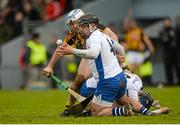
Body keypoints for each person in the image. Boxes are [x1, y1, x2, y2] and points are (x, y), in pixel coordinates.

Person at [57, 14, 154, 117]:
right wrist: (123, 65)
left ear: (91, 26)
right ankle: (146, 112)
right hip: (120, 77)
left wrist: (72, 50)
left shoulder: (92, 39)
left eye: (82, 26)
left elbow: (93, 53)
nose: (79, 29)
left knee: (96, 112)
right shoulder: (102, 35)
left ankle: (123, 111)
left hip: (107, 81)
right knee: (124, 100)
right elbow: (120, 48)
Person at [41, 9, 120, 114]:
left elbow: (113, 36)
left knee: (110, 79)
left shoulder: (95, 26)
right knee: (79, 80)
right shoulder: (74, 34)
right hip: (90, 56)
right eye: (70, 24)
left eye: (73, 23)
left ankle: (125, 100)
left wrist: (118, 54)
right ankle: (68, 108)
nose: (72, 26)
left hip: (104, 56)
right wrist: (50, 66)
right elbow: (61, 48)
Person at [159, 17, 180, 85]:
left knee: (177, 67)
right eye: (165, 22)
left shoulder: (175, 30)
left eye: (168, 22)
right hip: (167, 52)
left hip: (175, 52)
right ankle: (170, 82)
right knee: (168, 67)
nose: (166, 23)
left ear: (170, 22)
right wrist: (169, 37)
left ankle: (178, 81)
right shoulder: (162, 31)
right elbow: (162, 41)